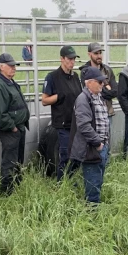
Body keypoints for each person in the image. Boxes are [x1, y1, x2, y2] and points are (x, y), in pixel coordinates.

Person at [0, 53, 30, 196]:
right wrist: (12, 127)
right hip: (10, 130)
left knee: (17, 161)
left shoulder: (9, 82)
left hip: (18, 128)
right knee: (10, 162)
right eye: (10, 66)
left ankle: (16, 188)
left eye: (14, 66)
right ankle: (6, 193)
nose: (14, 69)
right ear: (1, 66)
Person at [70, 67, 111, 204]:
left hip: (100, 146)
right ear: (89, 83)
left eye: (102, 81)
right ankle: (92, 214)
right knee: (93, 185)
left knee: (98, 181)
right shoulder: (83, 99)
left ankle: (94, 211)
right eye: (99, 82)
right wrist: (98, 143)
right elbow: (84, 126)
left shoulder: (98, 97)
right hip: (91, 149)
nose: (102, 84)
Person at [42, 46, 83, 180]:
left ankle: (71, 180)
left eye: (74, 59)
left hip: (75, 123)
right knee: (64, 156)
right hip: (62, 124)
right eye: (69, 59)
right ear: (62, 59)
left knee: (76, 155)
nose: (72, 62)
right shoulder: (52, 77)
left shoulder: (75, 77)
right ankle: (61, 182)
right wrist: (59, 96)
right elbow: (44, 100)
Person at [78, 42, 118, 117]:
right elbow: (90, 92)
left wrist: (101, 91)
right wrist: (107, 89)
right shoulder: (85, 71)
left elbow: (115, 91)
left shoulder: (108, 70)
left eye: (100, 53)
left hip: (108, 113)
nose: (99, 56)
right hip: (93, 114)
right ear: (89, 54)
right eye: (96, 53)